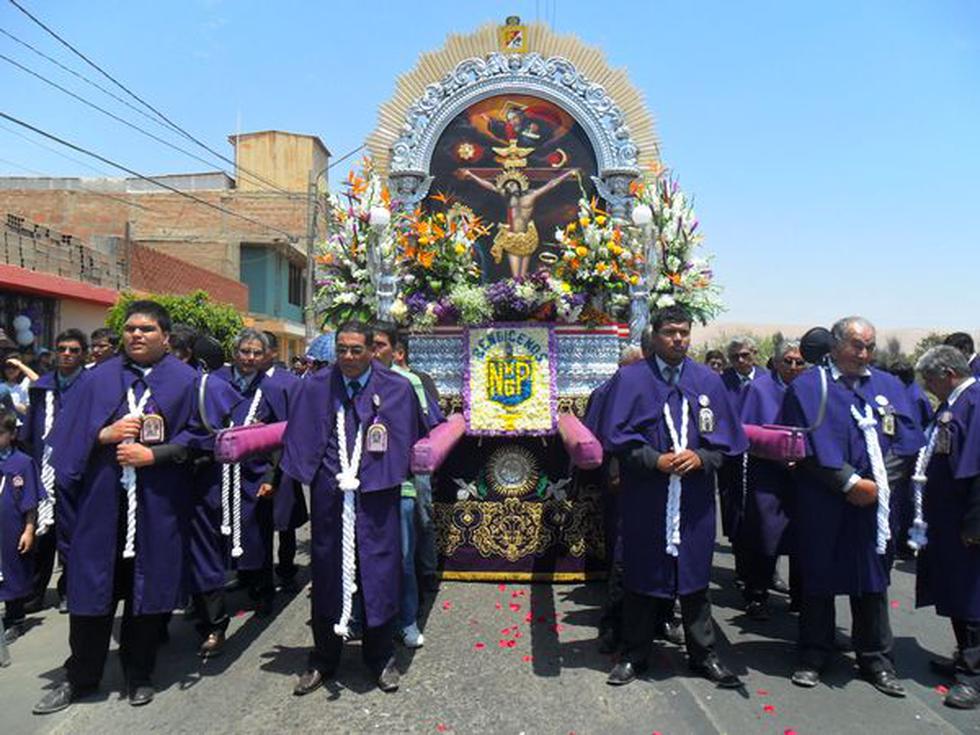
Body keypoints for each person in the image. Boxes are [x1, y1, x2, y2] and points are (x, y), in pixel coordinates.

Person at [33, 300, 205, 713]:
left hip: (155, 507)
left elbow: (202, 441)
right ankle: (80, 677)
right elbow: (62, 441)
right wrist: (102, 434)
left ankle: (139, 674)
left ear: (165, 336)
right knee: (92, 596)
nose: (136, 336)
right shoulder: (96, 380)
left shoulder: (186, 381)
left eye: (146, 329)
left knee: (146, 597)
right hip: (102, 508)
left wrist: (156, 455)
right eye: (130, 329)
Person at [589, 306, 747, 689]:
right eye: (671, 332)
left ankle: (704, 654)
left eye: (685, 332)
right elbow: (618, 440)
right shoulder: (631, 380)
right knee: (643, 574)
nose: (679, 339)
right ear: (655, 336)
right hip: (647, 495)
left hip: (693, 499)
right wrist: (654, 460)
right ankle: (634, 654)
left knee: (694, 577)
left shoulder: (707, 380)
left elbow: (724, 443)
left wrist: (701, 456)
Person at [780, 316, 924, 697]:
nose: (864, 354)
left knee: (872, 582)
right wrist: (846, 482)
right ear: (835, 346)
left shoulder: (888, 386)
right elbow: (801, 447)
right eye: (857, 346)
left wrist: (877, 483)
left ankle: (876, 658)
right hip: (825, 502)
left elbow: (908, 443)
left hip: (875, 503)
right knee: (819, 578)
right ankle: (813, 654)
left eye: (870, 347)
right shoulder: (810, 387)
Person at [283, 321, 427, 696]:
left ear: (371, 351)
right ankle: (323, 659)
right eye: (342, 349)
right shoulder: (314, 387)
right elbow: (299, 435)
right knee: (328, 572)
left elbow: (414, 435)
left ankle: (380, 658)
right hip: (331, 497)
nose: (348, 357)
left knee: (380, 573)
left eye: (356, 350)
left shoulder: (395, 388)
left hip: (377, 496)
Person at [913, 346, 980, 709]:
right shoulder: (954, 402)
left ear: (948, 374)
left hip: (965, 522)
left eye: (930, 378)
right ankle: (964, 658)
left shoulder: (975, 403)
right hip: (945, 518)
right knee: (957, 593)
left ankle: (973, 676)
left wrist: (974, 523)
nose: (927, 385)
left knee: (972, 598)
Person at [372, 322, 444, 649]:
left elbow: (426, 430)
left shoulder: (408, 384)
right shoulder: (344, 384)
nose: (371, 354)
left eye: (379, 346)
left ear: (395, 351)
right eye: (366, 346)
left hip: (401, 484)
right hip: (361, 487)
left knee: (402, 559)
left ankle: (407, 619)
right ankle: (363, 617)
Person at [212, 330, 289, 614]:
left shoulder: (271, 390)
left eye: (257, 353)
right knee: (219, 534)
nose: (250, 358)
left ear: (266, 356)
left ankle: (262, 590)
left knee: (258, 535)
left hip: (255, 475)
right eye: (245, 351)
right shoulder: (217, 384)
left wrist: (272, 478)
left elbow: (281, 437)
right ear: (235, 352)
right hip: (219, 475)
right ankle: (218, 589)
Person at [737, 339, 806, 619]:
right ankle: (757, 595)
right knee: (766, 535)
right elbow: (745, 431)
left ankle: (802, 599)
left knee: (804, 538)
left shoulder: (814, 389)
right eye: (787, 361)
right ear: (775, 362)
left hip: (804, 474)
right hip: (767, 473)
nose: (793, 366)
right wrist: (778, 452)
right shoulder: (758, 388)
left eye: (799, 362)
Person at [22, 329, 89, 615]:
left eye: (74, 350)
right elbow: (29, 432)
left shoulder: (90, 386)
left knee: (71, 535)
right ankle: (33, 594)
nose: (67, 354)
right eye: (62, 348)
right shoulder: (42, 388)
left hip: (75, 471)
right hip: (42, 468)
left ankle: (69, 591)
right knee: (39, 535)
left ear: (83, 354)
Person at [260, 331, 309, 591]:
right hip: (252, 463)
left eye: (259, 351)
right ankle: (256, 575)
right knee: (256, 522)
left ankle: (287, 570)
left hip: (283, 460)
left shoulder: (289, 383)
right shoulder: (242, 382)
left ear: (273, 352)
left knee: (285, 522)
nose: (252, 357)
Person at [391, 335, 440, 593]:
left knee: (422, 515)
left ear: (398, 353)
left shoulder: (418, 381)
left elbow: (430, 420)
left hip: (413, 459)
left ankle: (427, 569)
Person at [0, 410, 41, 642]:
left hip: (13, 528)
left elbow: (30, 501)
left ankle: (16, 619)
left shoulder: (23, 463)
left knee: (13, 572)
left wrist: (28, 530)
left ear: (12, 434)